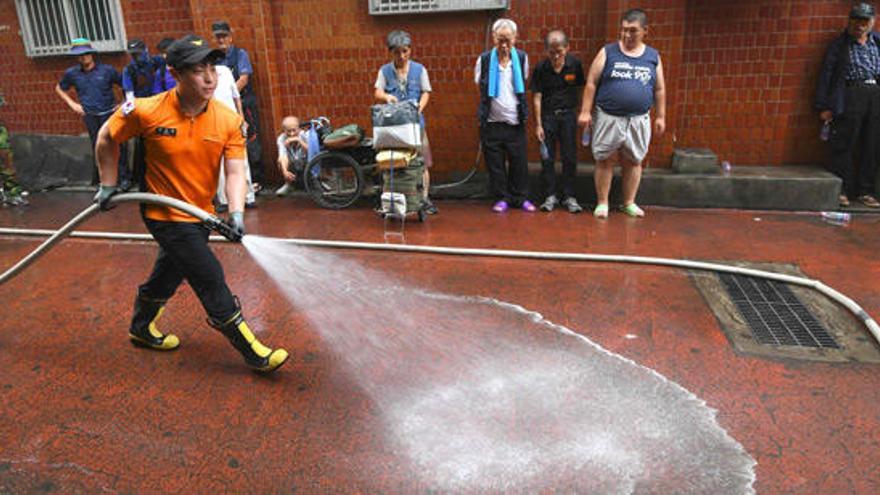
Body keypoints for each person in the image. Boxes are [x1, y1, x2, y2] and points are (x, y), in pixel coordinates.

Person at [92, 34, 288, 373]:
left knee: (170, 272)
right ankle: (253, 352)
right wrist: (108, 184)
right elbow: (106, 137)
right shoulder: (147, 110)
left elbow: (236, 168)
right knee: (208, 273)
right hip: (162, 210)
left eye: (212, 68)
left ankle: (141, 328)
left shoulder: (227, 120)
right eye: (198, 70)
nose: (210, 78)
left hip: (201, 211)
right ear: (175, 73)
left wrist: (237, 212)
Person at [578, 8, 666, 219]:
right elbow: (591, 82)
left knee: (634, 161)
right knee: (605, 159)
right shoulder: (608, 52)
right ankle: (602, 202)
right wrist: (585, 111)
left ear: (645, 31)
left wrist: (661, 116)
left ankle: (628, 202)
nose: (627, 35)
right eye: (624, 30)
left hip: (639, 118)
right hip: (609, 116)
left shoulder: (653, 56)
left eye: (633, 31)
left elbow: (660, 89)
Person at [815, 2, 880, 208]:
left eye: (864, 21)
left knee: (872, 142)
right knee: (845, 141)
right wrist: (823, 105)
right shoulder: (840, 45)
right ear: (849, 21)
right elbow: (826, 74)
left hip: (875, 92)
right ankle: (842, 189)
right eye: (856, 20)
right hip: (850, 93)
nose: (860, 25)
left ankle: (865, 190)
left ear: (872, 22)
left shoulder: (877, 42)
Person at [374, 30, 438, 214]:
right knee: (392, 161)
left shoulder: (420, 69)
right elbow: (377, 91)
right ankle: (390, 200)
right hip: (393, 127)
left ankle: (424, 199)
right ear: (390, 52)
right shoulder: (385, 71)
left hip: (416, 124)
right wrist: (387, 96)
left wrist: (420, 107)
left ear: (410, 50)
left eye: (405, 51)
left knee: (422, 162)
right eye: (397, 52)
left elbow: (426, 91)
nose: (401, 56)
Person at [475, 19, 535, 213]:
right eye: (500, 40)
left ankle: (520, 198)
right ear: (493, 38)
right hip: (492, 122)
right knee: (495, 165)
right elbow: (480, 88)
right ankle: (502, 198)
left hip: (515, 121)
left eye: (507, 40)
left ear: (515, 39)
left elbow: (522, 85)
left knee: (519, 163)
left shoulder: (522, 58)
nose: (503, 45)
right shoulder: (483, 60)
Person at [54, 38, 129, 188]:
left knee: (117, 143)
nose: (84, 57)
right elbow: (59, 88)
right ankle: (107, 181)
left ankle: (124, 178)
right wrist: (73, 104)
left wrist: (122, 103)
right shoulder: (72, 73)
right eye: (80, 54)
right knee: (99, 147)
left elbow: (125, 85)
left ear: (92, 54)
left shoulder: (107, 70)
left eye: (86, 53)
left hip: (109, 114)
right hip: (90, 116)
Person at [531, 30, 586, 213]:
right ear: (546, 50)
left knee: (569, 157)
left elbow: (581, 89)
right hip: (547, 118)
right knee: (547, 158)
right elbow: (537, 97)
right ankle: (550, 196)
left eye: (560, 52)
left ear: (567, 48)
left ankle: (570, 196)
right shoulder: (540, 68)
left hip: (568, 117)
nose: (556, 56)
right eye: (551, 52)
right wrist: (538, 124)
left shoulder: (575, 65)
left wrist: (582, 112)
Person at [213, 21, 265, 193]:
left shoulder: (239, 54)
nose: (220, 40)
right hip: (221, 106)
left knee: (250, 140)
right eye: (217, 37)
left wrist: (229, 93)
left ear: (230, 37)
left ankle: (256, 180)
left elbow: (244, 79)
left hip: (243, 102)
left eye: (223, 36)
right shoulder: (214, 58)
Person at [213, 63, 257, 210]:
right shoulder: (197, 75)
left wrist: (242, 118)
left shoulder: (225, 71)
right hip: (213, 123)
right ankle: (225, 200)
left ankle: (248, 196)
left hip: (233, 121)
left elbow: (236, 96)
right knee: (219, 162)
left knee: (241, 159)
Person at [275, 116, 307, 196]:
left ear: (299, 129)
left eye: (294, 130)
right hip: (292, 163)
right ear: (284, 130)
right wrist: (284, 171)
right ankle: (288, 184)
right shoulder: (281, 138)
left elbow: (312, 152)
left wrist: (299, 140)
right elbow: (282, 156)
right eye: (288, 131)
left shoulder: (305, 135)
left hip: (306, 162)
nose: (292, 134)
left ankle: (316, 182)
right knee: (280, 161)